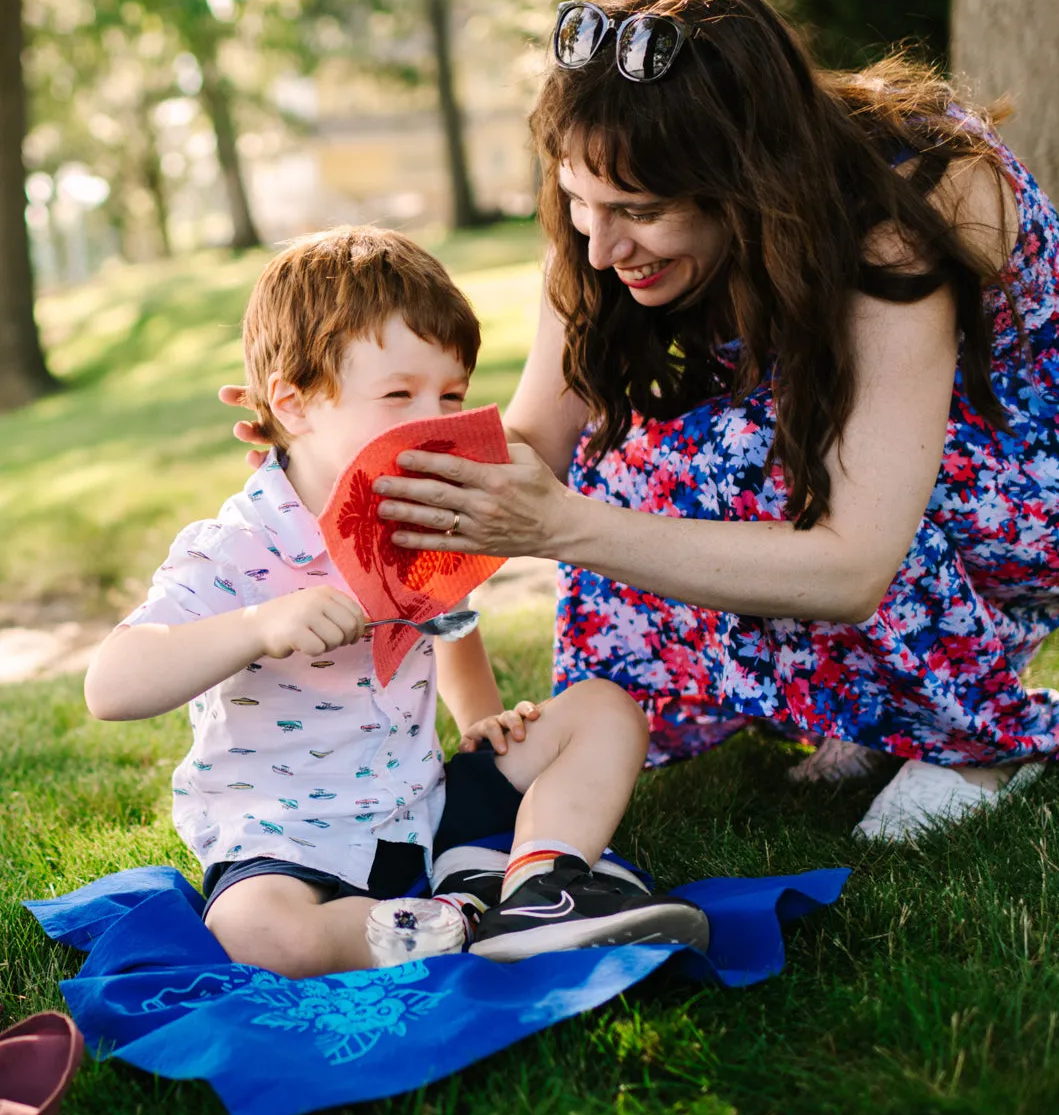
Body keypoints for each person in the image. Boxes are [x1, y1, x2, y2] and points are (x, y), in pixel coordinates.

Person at [228, 0, 1059, 843]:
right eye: (579, 200)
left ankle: (979, 734)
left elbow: (856, 562)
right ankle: (869, 708)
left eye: (641, 211)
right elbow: (535, 440)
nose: (602, 247)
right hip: (892, 449)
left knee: (719, 463)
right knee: (648, 450)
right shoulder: (605, 214)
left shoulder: (909, 204)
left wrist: (569, 526)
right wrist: (341, 456)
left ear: (747, 183)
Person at [85, 226, 709, 979]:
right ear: (295, 401)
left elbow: (448, 623)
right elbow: (110, 685)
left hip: (425, 808)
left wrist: (480, 723)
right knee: (260, 932)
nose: (434, 419)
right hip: (290, 842)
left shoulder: (417, 516)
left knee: (605, 710)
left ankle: (543, 884)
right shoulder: (234, 551)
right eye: (399, 395)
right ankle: (456, 925)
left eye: (449, 394)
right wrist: (257, 626)